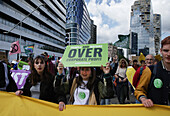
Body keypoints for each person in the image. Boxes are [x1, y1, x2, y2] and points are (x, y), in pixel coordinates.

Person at [134, 36, 170, 107]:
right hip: (155, 112)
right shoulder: (150, 70)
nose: (169, 54)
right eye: (166, 51)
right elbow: (139, 90)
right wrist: (144, 99)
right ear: (161, 51)